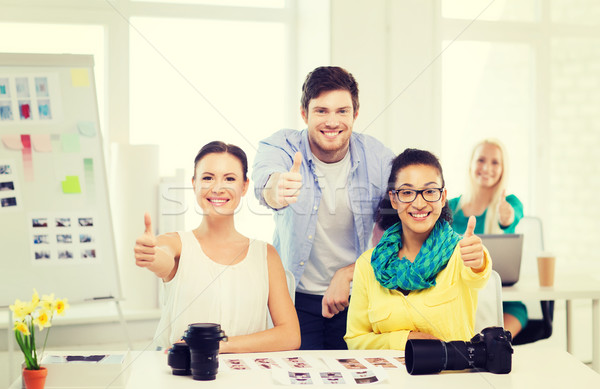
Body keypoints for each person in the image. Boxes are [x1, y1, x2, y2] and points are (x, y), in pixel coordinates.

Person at [252, 66, 395, 350]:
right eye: (321, 111)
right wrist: (277, 188)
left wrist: (349, 273)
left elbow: (401, 230)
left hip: (358, 298)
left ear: (355, 114)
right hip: (295, 301)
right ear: (304, 114)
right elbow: (264, 181)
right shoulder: (282, 145)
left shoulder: (379, 158)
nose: (332, 121)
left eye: (342, 111)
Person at [134, 141, 300, 352]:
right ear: (194, 184)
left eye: (230, 179)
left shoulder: (265, 254)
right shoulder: (176, 243)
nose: (218, 188)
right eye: (207, 178)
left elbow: (290, 335)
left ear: (245, 186)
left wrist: (217, 345)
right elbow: (162, 257)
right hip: (183, 378)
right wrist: (151, 255)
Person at [344, 148, 491, 350]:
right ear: (394, 199)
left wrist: (479, 260)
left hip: (449, 379)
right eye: (407, 192)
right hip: (391, 380)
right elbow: (355, 340)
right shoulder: (367, 265)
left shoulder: (461, 252)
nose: (419, 203)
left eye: (430, 191)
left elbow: (478, 273)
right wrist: (405, 340)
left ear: (443, 197)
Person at [448, 138, 526, 337]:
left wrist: (506, 217)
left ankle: (492, 347)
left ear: (502, 169)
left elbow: (511, 216)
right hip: (460, 295)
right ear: (471, 164)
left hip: (502, 299)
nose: (487, 168)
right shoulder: (449, 207)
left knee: (511, 318)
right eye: (481, 160)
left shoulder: (510, 203)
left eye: (495, 162)